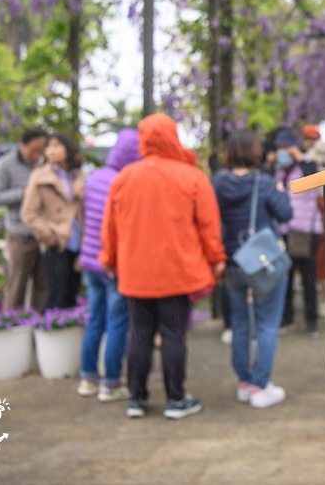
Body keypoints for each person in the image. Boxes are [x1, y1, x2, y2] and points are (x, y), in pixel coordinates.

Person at [100, 114, 226, 420]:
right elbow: (208, 225)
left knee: (139, 334)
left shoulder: (124, 178)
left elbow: (110, 228)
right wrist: (216, 258)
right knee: (173, 335)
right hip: (176, 272)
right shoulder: (191, 177)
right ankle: (176, 399)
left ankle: (137, 399)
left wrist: (110, 259)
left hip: (135, 273)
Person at [213, 131, 294, 409]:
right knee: (267, 325)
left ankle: (244, 384)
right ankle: (262, 386)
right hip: (263, 263)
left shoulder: (218, 183)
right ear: (254, 152)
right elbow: (285, 215)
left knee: (239, 325)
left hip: (234, 262)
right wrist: (283, 194)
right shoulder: (265, 182)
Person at [76, 128, 141, 403]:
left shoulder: (95, 178)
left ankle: (88, 378)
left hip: (90, 261)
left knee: (95, 320)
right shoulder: (124, 182)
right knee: (117, 323)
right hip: (112, 264)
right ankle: (111, 383)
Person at [20, 133, 84, 311]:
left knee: (72, 294)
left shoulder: (78, 175)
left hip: (77, 241)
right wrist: (49, 236)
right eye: (48, 147)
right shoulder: (40, 176)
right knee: (56, 295)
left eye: (56, 146)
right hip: (57, 241)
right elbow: (28, 213)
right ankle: (47, 333)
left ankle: (66, 335)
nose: (51, 151)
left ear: (67, 149)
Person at [0, 128, 47, 311]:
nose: (37, 155)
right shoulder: (4, 165)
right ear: (22, 145)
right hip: (20, 234)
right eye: (33, 150)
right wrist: (22, 194)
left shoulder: (44, 164)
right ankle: (12, 328)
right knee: (17, 285)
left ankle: (38, 330)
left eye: (41, 150)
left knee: (43, 285)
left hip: (44, 234)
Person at [274, 128, 322, 335]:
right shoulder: (279, 170)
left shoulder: (307, 165)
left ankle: (312, 320)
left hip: (305, 230)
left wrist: (300, 157)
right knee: (285, 276)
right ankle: (287, 318)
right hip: (285, 230)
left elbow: (315, 178)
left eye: (286, 148)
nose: (282, 152)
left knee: (308, 276)